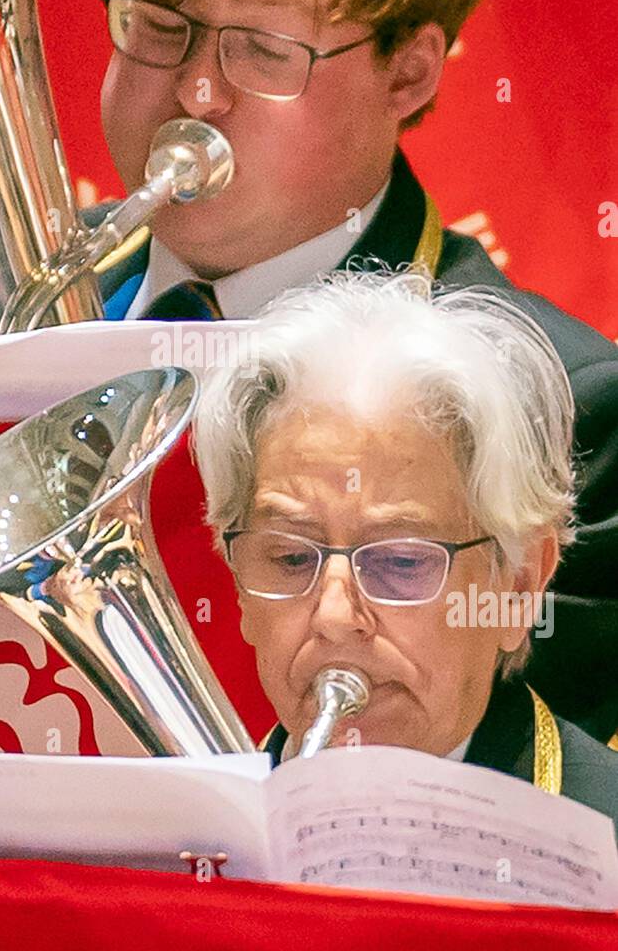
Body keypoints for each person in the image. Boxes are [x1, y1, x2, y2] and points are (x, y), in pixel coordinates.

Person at [82, 0, 618, 741]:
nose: (195, 91)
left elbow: (527, 790)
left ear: (407, 73)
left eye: (263, 47)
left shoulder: (573, 409)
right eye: (157, 25)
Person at [191, 271, 618, 820]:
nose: (335, 617)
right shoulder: (184, 848)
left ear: (518, 588)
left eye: (400, 561)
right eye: (292, 558)